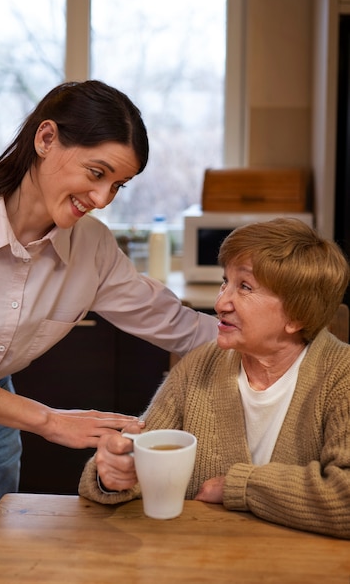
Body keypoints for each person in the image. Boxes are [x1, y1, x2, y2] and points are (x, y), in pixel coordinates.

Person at [0, 79, 218, 580]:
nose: (103, 198)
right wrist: (51, 421)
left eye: (117, 185)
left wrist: (280, 337)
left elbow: (175, 325)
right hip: (3, 407)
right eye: (96, 172)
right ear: (46, 139)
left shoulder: (92, 249)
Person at [79, 217, 350, 539]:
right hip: (203, 556)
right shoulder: (200, 365)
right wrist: (111, 473)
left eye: (245, 287)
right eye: (226, 282)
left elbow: (344, 499)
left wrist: (240, 486)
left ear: (297, 316)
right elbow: (142, 457)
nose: (221, 303)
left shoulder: (341, 376)